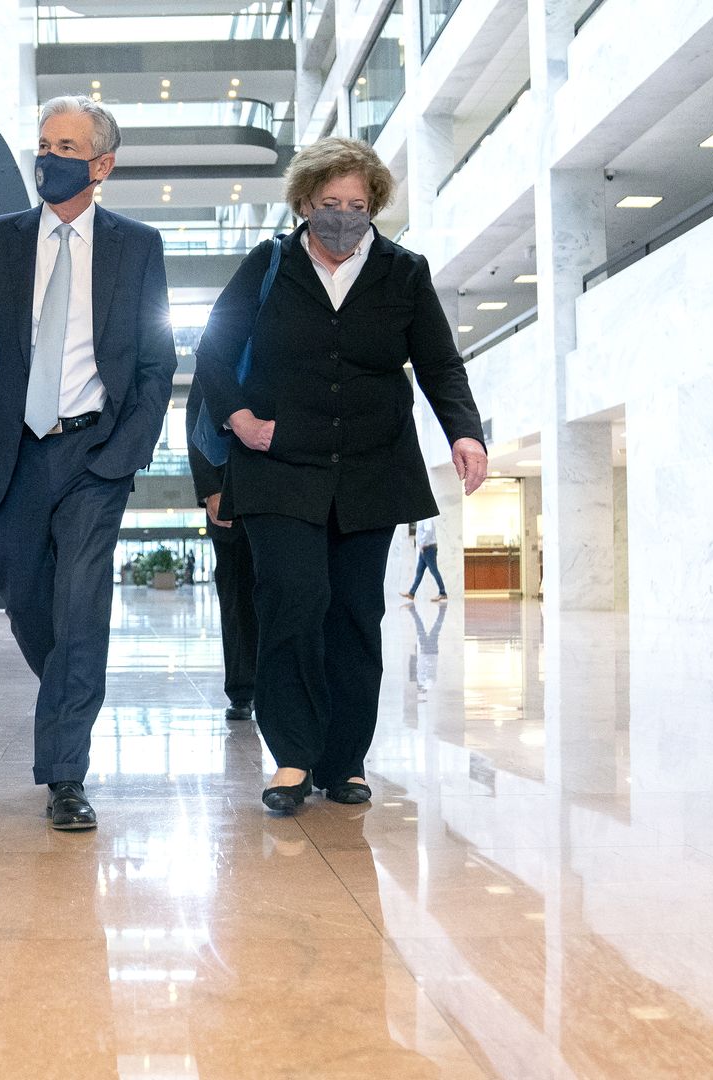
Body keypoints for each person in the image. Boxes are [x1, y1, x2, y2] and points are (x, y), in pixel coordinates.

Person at [193, 136, 487, 813]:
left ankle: (344, 760)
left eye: (358, 205)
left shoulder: (402, 272)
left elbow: (440, 364)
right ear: (303, 203)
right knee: (293, 601)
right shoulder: (269, 265)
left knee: (356, 613)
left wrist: (464, 431)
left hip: (370, 467)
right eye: (330, 203)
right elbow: (214, 346)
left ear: (375, 207)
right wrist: (238, 417)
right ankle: (294, 757)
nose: (344, 217)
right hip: (278, 465)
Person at [0, 95, 178, 830]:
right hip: (15, 451)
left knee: (80, 608)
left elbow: (153, 361)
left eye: (69, 146)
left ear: (102, 164)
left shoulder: (137, 246)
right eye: (44, 142)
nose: (50, 157)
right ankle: (71, 692)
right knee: (22, 596)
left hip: (93, 452)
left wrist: (125, 453)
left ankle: (65, 775)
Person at [185, 377, 257, 724]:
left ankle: (280, 687)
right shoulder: (221, 337)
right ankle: (242, 690)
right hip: (230, 491)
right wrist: (210, 489)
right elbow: (196, 418)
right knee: (236, 596)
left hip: (286, 486)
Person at [401, 517, 447, 602]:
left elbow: (428, 531)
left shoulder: (427, 519)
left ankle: (443, 593)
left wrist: (422, 543)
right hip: (424, 550)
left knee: (434, 570)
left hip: (428, 549)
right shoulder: (421, 520)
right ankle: (411, 593)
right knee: (419, 571)